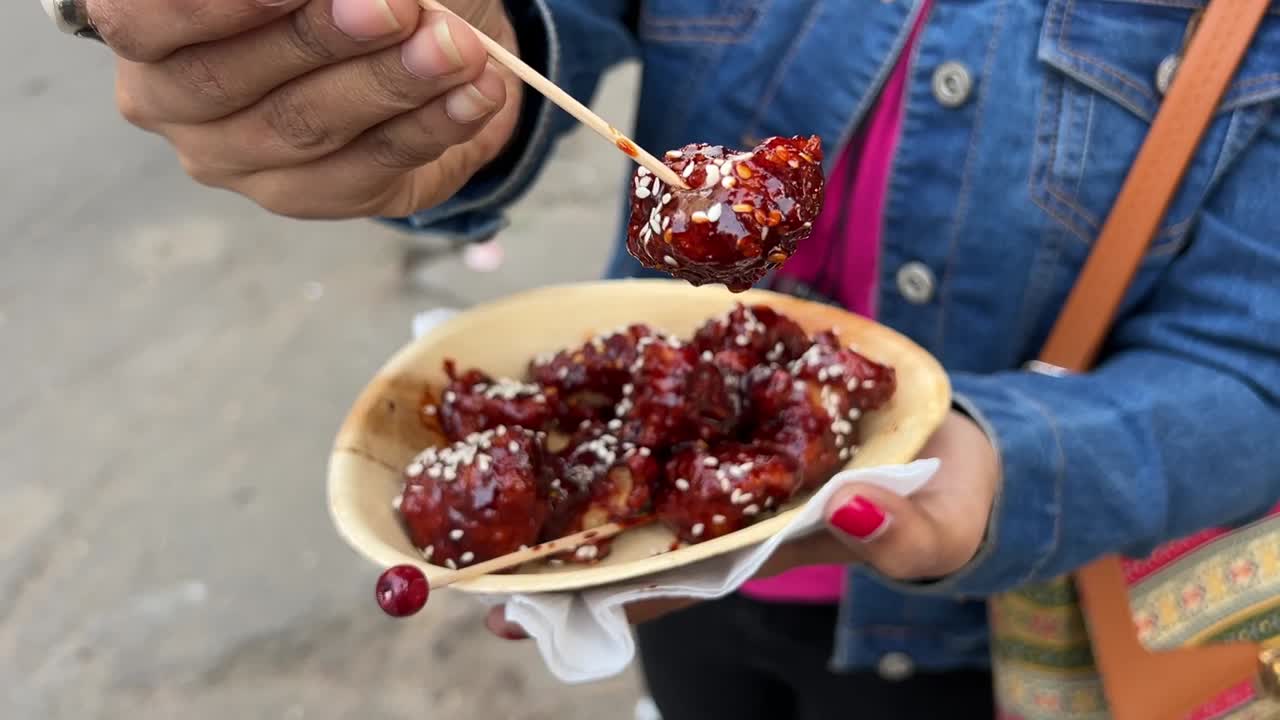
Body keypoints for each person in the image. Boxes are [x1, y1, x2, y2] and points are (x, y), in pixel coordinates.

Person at [65, 0, 1280, 717]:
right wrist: (429, 80)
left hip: (988, 617)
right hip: (670, 582)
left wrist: (987, 467)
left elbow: (1250, 366)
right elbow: (532, 30)